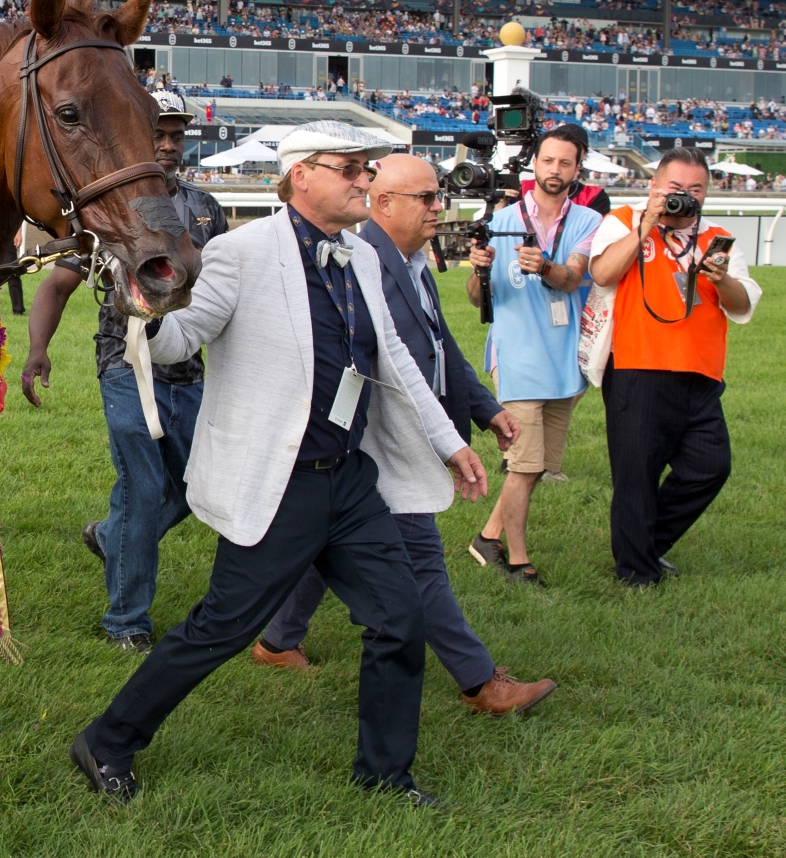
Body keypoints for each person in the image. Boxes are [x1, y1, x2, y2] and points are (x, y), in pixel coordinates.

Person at [69, 122, 488, 809]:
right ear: (302, 176)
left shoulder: (359, 257)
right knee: (220, 630)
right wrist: (141, 307)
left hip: (351, 480)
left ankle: (385, 773)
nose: (365, 179)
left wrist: (450, 442)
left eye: (368, 167)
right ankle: (107, 739)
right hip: (280, 480)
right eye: (351, 168)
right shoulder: (240, 253)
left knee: (400, 616)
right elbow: (180, 339)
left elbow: (397, 362)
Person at [251, 154, 555, 715]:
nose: (440, 208)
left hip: (390, 439)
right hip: (377, 442)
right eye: (428, 198)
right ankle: (481, 682)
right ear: (383, 204)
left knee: (325, 544)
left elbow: (442, 349)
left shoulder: (411, 261)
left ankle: (276, 639)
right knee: (419, 562)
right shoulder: (360, 262)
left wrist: (486, 410)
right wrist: (434, 441)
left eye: (439, 197)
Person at [20, 89, 226, 652]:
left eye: (175, 136)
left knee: (195, 488)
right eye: (155, 134)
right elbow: (57, 284)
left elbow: (229, 293)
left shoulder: (207, 208)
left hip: (190, 367)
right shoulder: (103, 211)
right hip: (125, 361)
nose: (166, 145)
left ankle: (112, 537)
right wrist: (38, 350)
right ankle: (126, 622)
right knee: (141, 485)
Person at [588, 146, 761, 586]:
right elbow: (604, 273)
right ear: (654, 186)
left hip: (700, 375)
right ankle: (636, 575)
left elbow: (743, 306)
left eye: (695, 190)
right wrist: (646, 226)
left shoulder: (717, 238)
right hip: (637, 368)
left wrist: (721, 278)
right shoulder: (624, 220)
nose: (685, 197)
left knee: (710, 466)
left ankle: (642, 545)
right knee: (636, 476)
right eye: (675, 188)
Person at [464, 125, 603, 582]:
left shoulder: (586, 222)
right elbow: (476, 299)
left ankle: (487, 537)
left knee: (539, 467)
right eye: (548, 161)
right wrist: (477, 270)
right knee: (524, 466)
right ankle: (519, 561)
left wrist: (543, 266)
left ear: (576, 170)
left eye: (565, 163)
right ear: (535, 164)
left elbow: (570, 278)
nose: (555, 170)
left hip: (565, 362)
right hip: (519, 358)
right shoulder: (501, 221)